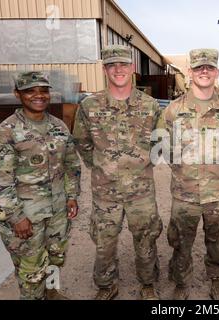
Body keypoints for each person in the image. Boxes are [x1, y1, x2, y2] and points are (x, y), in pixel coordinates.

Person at [73, 45, 163, 300]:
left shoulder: (150, 105)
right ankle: (106, 286)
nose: (119, 69)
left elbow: (160, 142)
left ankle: (147, 284)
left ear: (132, 68)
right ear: (104, 70)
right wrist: (102, 167)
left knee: (146, 241)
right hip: (105, 194)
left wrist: (142, 165)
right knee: (104, 244)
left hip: (141, 193)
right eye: (112, 65)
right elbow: (81, 142)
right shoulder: (89, 106)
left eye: (123, 64)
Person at [0, 71, 80, 300]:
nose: (38, 95)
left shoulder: (59, 127)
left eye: (43, 90)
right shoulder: (6, 132)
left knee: (56, 257)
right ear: (18, 94)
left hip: (57, 212)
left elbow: (71, 164)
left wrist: (71, 196)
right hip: (26, 217)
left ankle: (52, 293)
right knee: (31, 272)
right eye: (30, 91)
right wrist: (16, 217)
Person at [157, 49, 219, 300]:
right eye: (199, 68)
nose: (204, 72)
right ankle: (181, 282)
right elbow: (162, 144)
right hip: (184, 193)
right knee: (181, 242)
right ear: (190, 72)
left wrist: (218, 165)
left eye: (209, 68)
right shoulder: (172, 110)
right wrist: (184, 168)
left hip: (218, 192)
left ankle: (217, 279)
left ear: (216, 72)